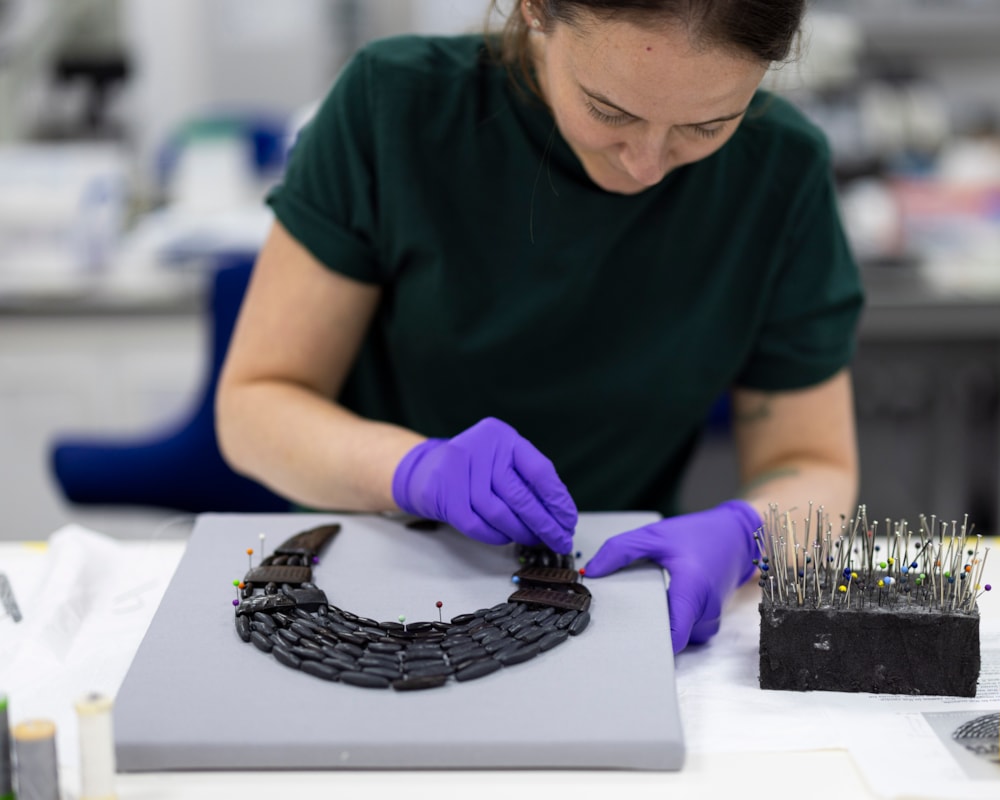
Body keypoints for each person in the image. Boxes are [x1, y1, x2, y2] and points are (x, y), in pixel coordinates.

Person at [215, 0, 862, 654]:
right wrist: (412, 471)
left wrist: (748, 535)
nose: (646, 164)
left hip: (609, 592)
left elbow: (811, 464)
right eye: (611, 112)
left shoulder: (782, 171)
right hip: (363, 582)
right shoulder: (396, 105)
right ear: (535, 10)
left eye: (708, 125)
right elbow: (255, 408)